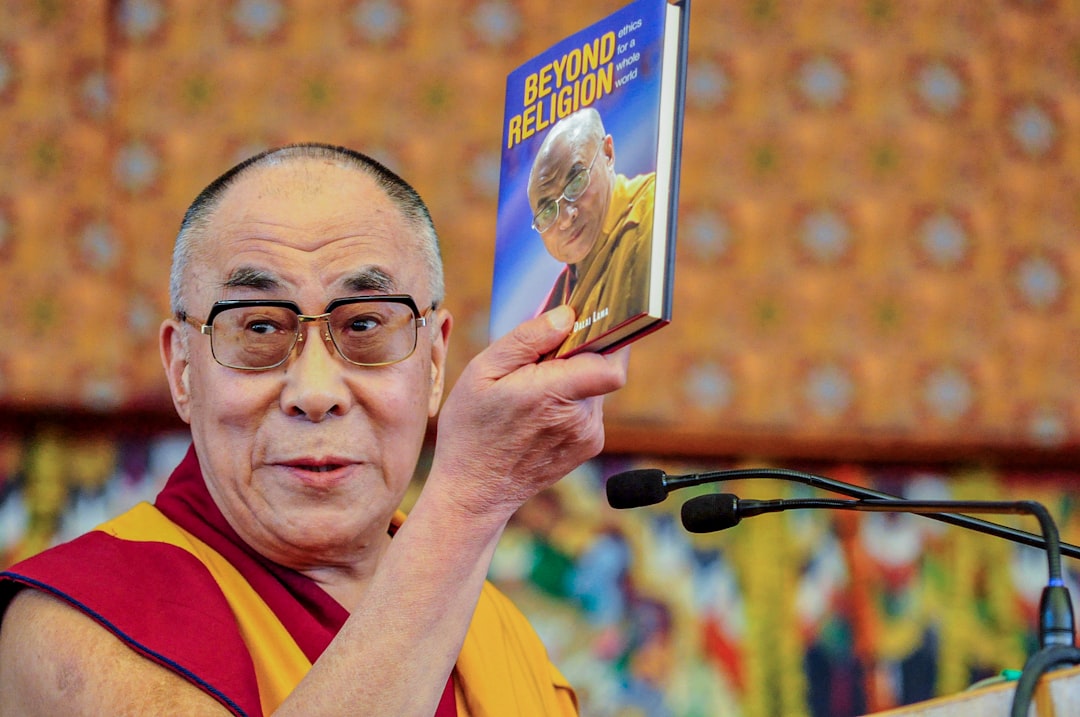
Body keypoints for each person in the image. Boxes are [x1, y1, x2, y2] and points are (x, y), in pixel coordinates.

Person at [0, 143, 628, 716]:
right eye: (260, 328)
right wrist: (469, 501)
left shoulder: (499, 638)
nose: (316, 393)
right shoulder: (74, 623)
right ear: (183, 370)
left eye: (363, 326)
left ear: (435, 364)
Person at [527, 107, 656, 356]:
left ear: (608, 153)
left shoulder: (650, 209)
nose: (565, 220)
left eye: (576, 182)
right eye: (547, 211)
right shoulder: (554, 304)